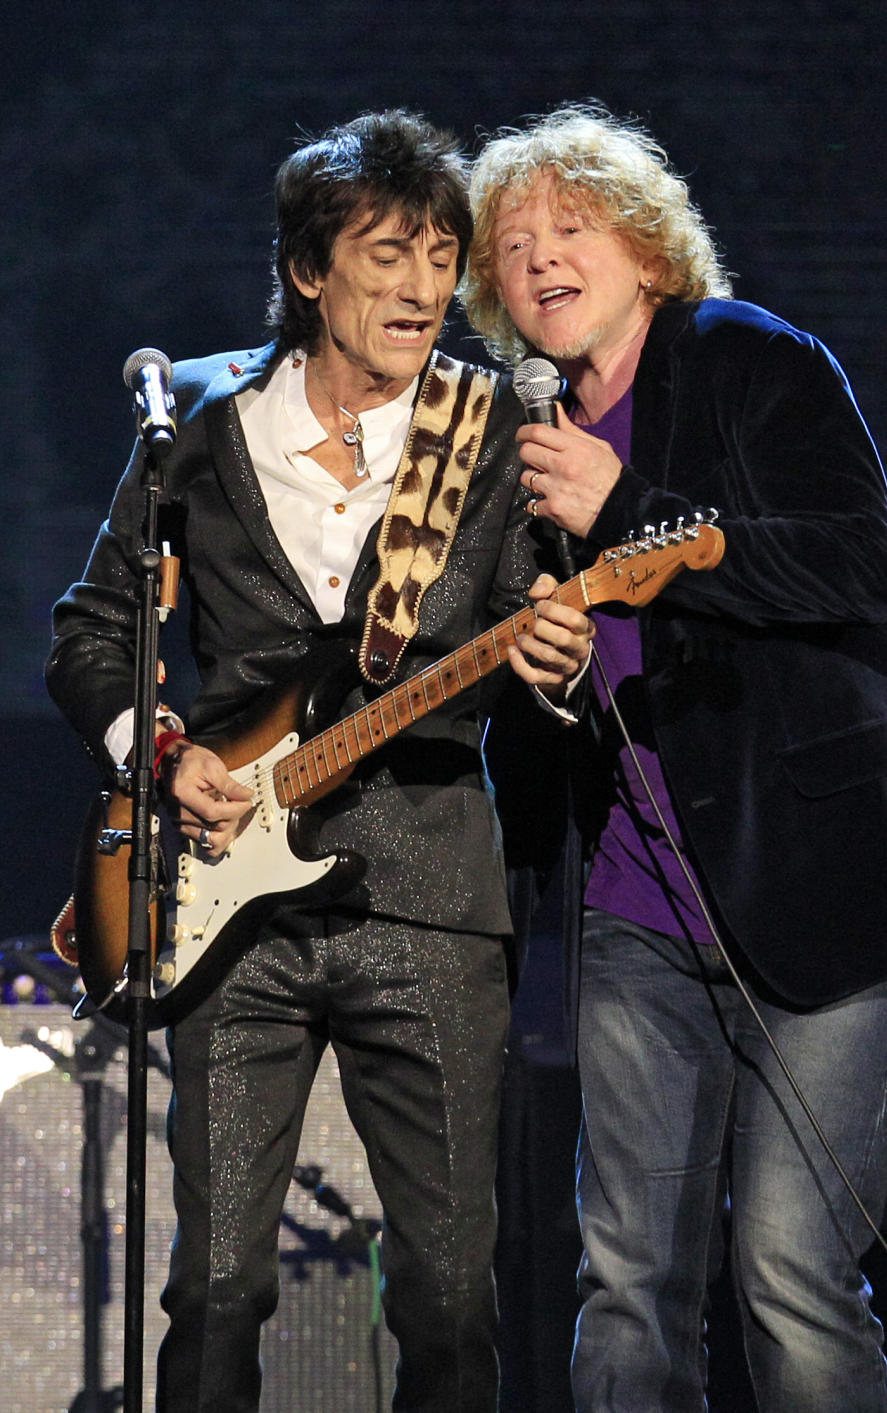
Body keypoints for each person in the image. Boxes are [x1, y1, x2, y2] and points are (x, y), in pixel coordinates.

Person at [46, 110, 593, 1413]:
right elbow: (94, 629)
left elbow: (537, 617)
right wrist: (157, 751)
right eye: (386, 254)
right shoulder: (197, 424)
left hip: (434, 905)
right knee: (217, 1288)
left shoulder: (488, 428)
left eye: (440, 258)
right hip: (226, 913)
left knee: (456, 1298)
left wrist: (558, 662)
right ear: (307, 269)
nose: (421, 289)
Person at [464, 105, 887, 1412]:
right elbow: (534, 749)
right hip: (639, 908)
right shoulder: (522, 460)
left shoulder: (752, 358)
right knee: (626, 1276)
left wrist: (624, 511)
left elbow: (858, 565)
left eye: (570, 228)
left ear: (645, 247)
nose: (540, 259)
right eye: (510, 246)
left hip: (820, 882)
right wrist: (548, 688)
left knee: (791, 1268)